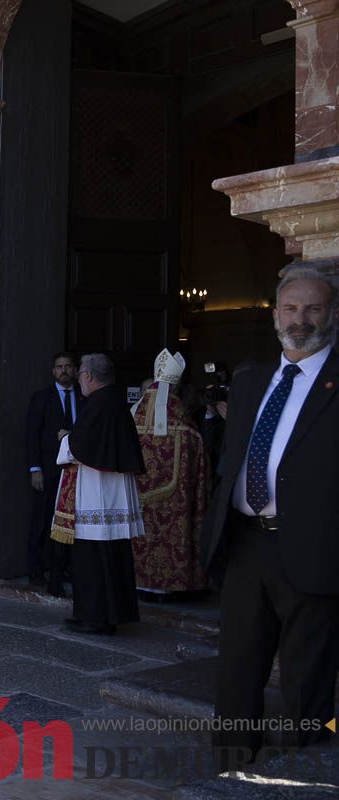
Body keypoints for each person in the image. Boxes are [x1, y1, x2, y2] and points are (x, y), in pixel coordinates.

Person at [202, 267, 339, 763]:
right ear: (275, 315)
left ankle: (310, 765)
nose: (299, 319)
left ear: (332, 314)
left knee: (310, 678)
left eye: (312, 308)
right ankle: (231, 764)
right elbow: (231, 457)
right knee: (236, 668)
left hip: (315, 548)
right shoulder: (251, 379)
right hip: (246, 543)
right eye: (290, 308)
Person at [52, 353, 145, 635]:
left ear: (89, 376)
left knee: (93, 556)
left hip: (97, 492)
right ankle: (102, 615)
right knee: (108, 554)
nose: (79, 379)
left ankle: (95, 618)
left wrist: (65, 439)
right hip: (108, 491)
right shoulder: (113, 402)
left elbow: (82, 446)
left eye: (80, 374)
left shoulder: (99, 404)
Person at [129, 350, 209, 594]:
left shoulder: (133, 418)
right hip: (175, 498)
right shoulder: (184, 423)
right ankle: (171, 585)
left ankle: (138, 580)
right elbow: (200, 461)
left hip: (136, 494)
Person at [25, 352, 82, 596]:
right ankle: (36, 570)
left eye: (68, 366)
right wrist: (34, 468)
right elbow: (31, 435)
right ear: (53, 371)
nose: (64, 370)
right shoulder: (42, 398)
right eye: (59, 367)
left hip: (78, 471)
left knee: (75, 522)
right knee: (42, 519)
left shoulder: (84, 397)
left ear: (76, 369)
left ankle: (68, 567)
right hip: (47, 470)